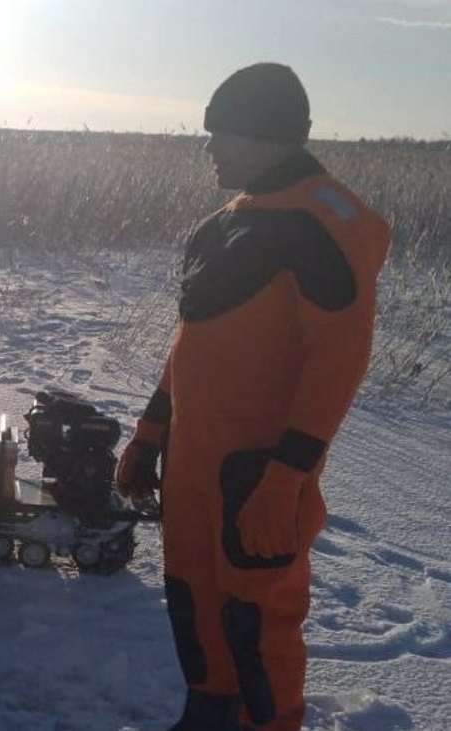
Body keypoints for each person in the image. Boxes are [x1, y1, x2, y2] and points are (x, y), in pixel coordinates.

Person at [115, 63, 390, 731]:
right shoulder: (221, 228)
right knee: (192, 599)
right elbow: (192, 343)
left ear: (265, 135)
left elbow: (339, 357)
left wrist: (288, 475)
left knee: (256, 616)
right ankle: (206, 713)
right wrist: (151, 433)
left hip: (259, 470)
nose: (208, 148)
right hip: (191, 460)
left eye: (220, 133)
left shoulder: (324, 220)